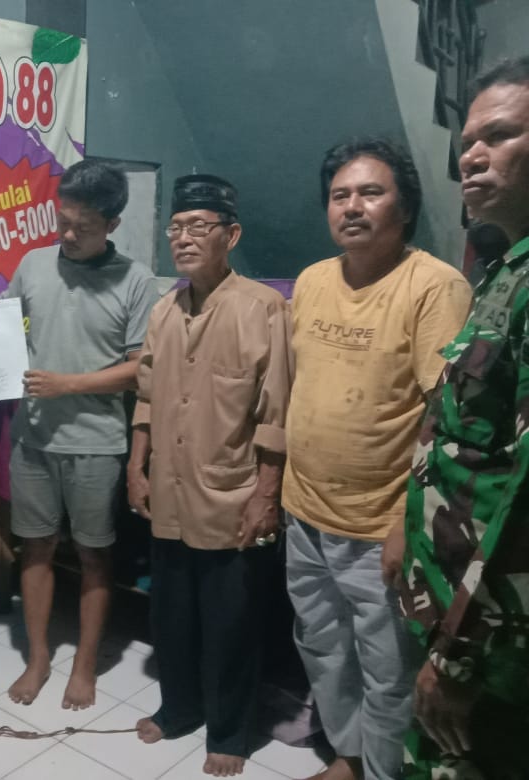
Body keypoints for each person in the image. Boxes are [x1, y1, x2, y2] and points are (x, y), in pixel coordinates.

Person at [283, 139, 472, 780]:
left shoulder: (434, 287)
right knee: (323, 648)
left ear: (405, 206)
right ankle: (349, 756)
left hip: (379, 528)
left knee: (388, 671)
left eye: (371, 192)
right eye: (340, 195)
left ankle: (386, 770)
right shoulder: (312, 281)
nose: (352, 207)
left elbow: (445, 416)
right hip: (304, 514)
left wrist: (403, 523)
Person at [0, 159, 160, 710]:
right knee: (36, 549)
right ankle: (39, 657)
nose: (68, 235)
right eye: (62, 221)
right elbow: (1, 330)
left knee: (94, 554)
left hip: (96, 443)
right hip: (33, 439)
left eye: (83, 228)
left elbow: (141, 370)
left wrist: (68, 384)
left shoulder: (137, 281)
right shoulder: (33, 263)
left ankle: (85, 665)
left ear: (112, 225)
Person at [127, 175, 291, 777]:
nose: (184, 238)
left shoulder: (262, 308)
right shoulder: (163, 310)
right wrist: (136, 466)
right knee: (171, 616)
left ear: (231, 235)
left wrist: (266, 496)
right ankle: (179, 708)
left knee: (231, 626)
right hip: (168, 491)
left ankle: (230, 731)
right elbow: (147, 397)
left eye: (199, 226)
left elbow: (276, 415)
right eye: (176, 227)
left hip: (231, 496)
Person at [400, 55, 529, 780]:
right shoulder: (505, 270)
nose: (470, 157)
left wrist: (457, 653)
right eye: (468, 140)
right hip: (455, 599)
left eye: (500, 136)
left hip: (497, 642)